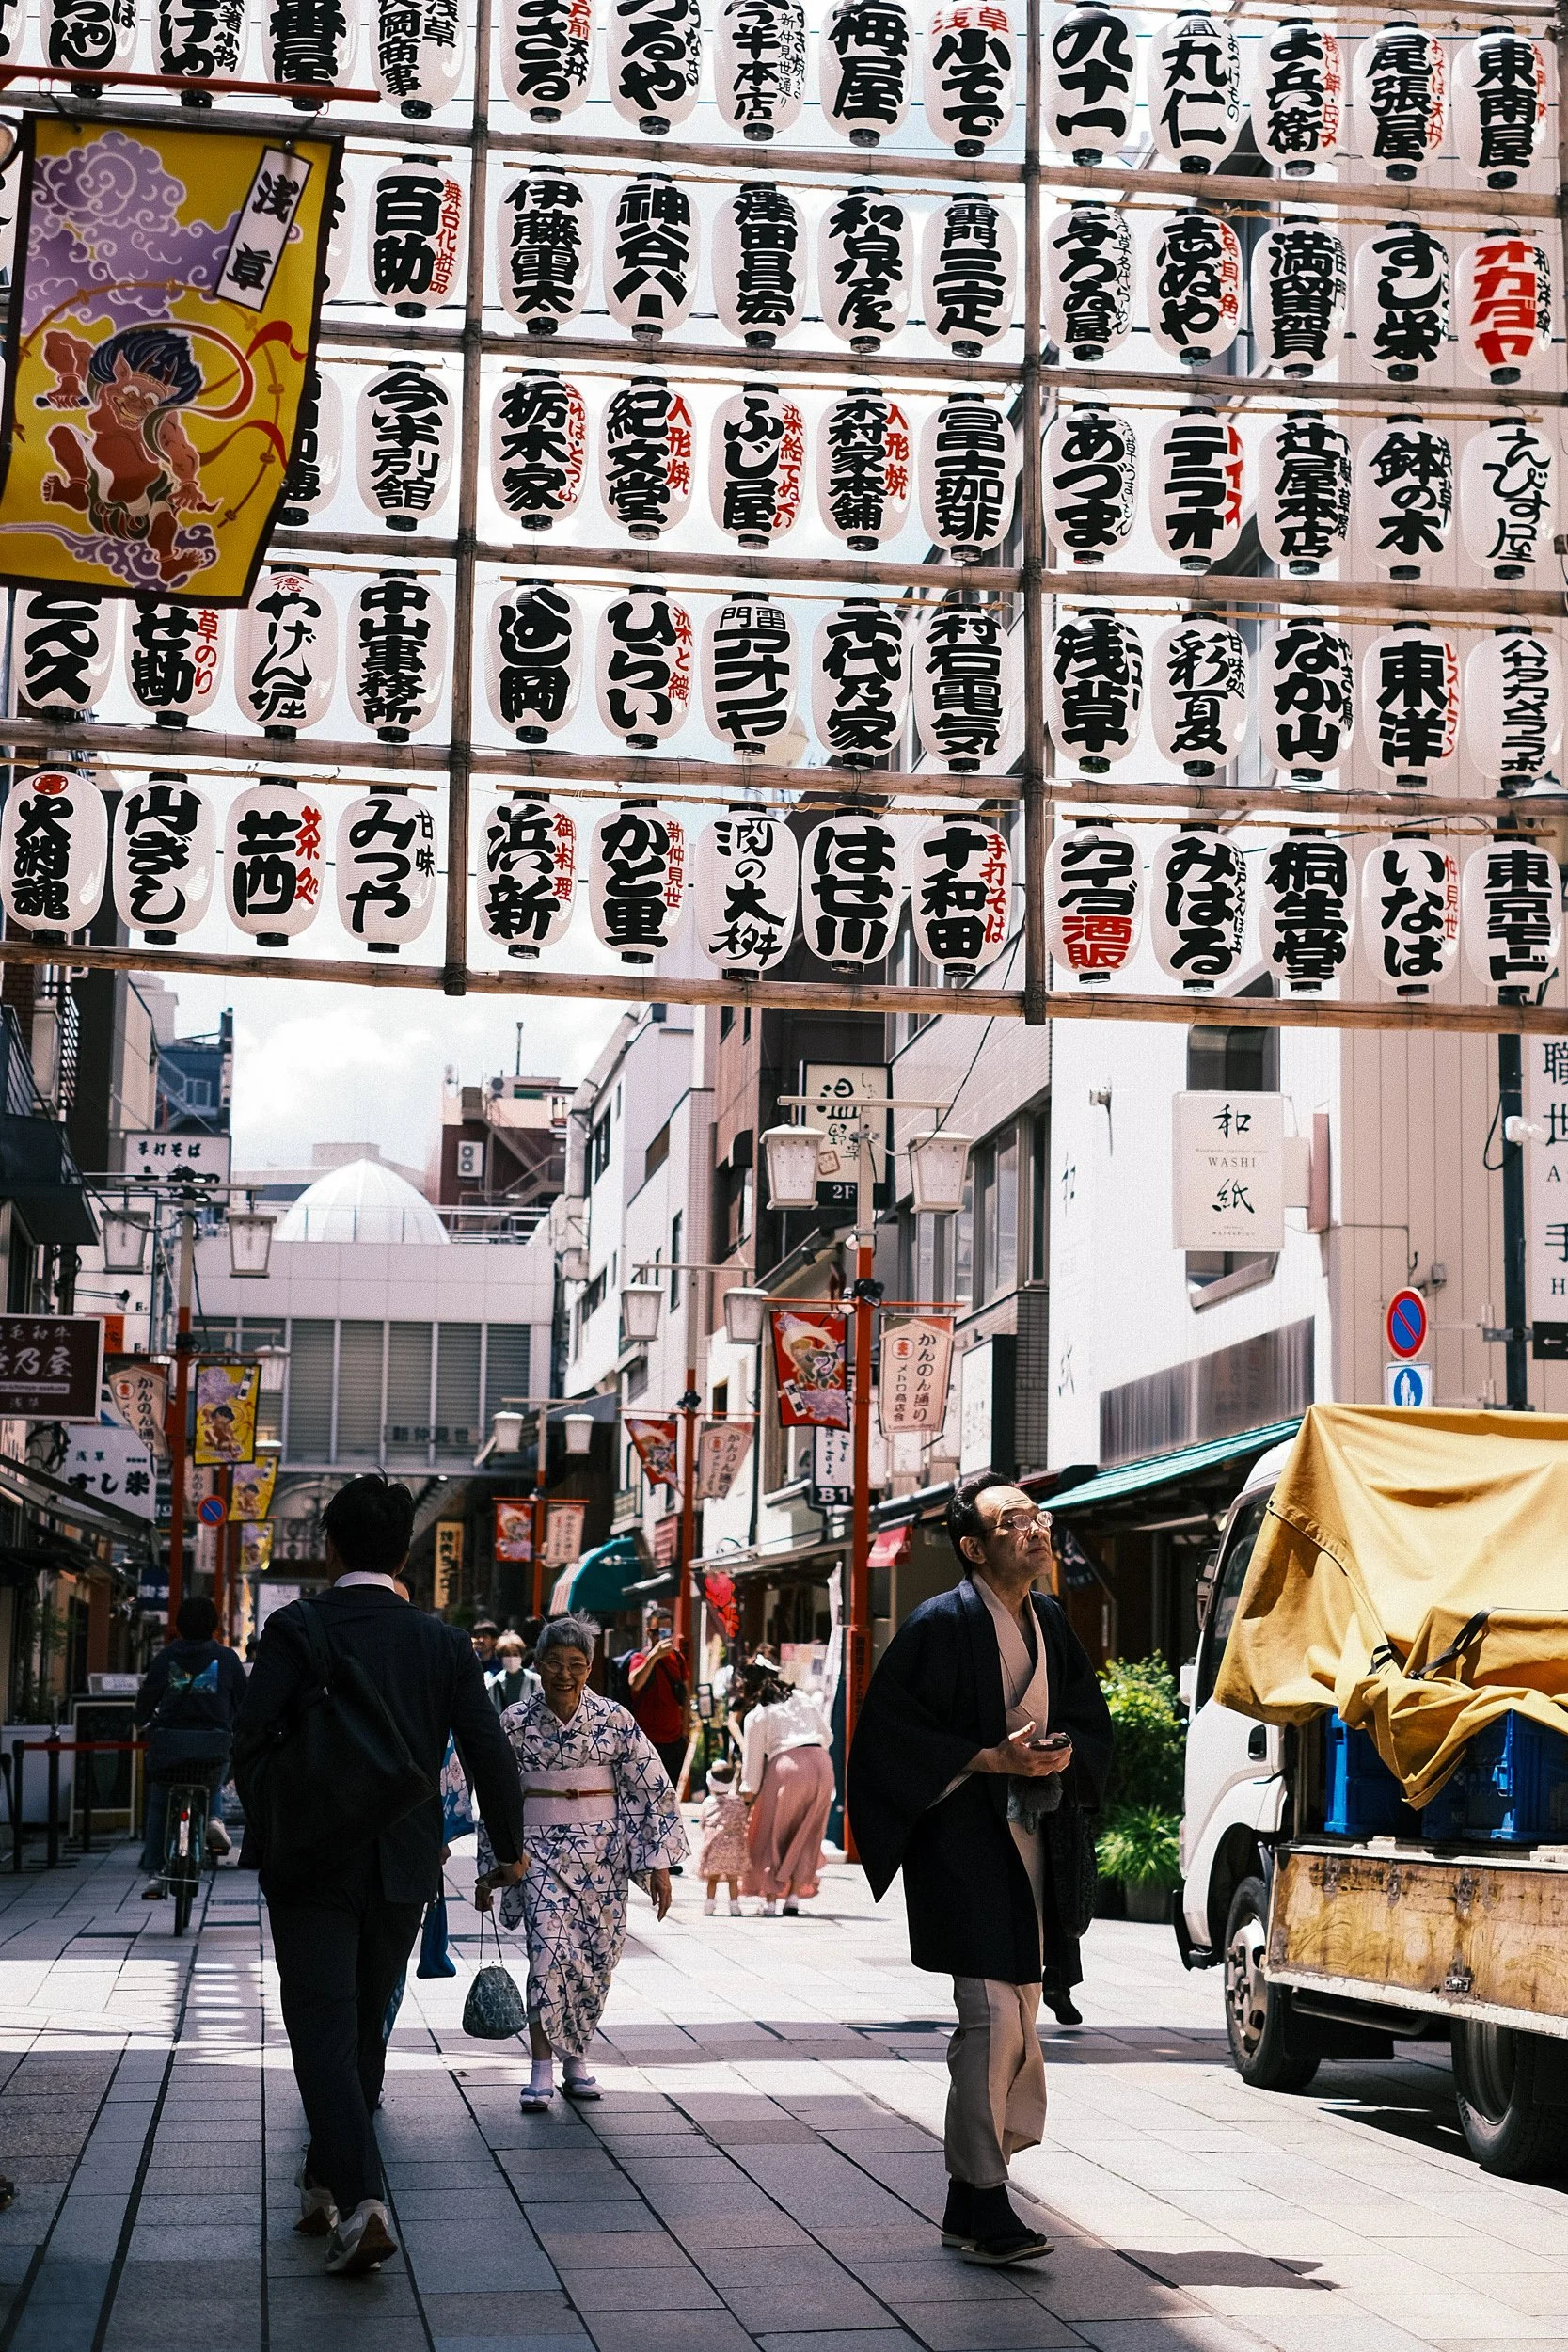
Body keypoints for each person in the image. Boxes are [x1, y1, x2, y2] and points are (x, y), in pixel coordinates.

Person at [235, 1474, 527, 2280]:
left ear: (331, 1545)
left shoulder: (296, 1628)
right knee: (366, 2023)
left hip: (311, 1864)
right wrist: (508, 1849)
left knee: (321, 2026)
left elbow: (250, 1738)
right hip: (404, 1861)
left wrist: (276, 1825)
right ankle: (326, 2179)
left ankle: (359, 2197)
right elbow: (486, 1750)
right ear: (404, 1552)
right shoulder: (441, 1644)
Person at [847, 1475, 1114, 2271]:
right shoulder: (939, 1625)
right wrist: (985, 1758)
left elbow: (1087, 1717)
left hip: (1037, 1841)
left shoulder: (1051, 1619)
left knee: (1019, 2011)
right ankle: (987, 2197)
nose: (1032, 1531)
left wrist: (1062, 1751)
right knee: (991, 2016)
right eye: (1011, 1522)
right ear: (972, 1546)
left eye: (1035, 1518)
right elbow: (887, 1740)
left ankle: (969, 2199)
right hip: (961, 1839)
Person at [475, 1613, 688, 2113]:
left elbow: (651, 1787)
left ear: (590, 1667)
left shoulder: (615, 1719)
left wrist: (656, 1862)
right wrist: (495, 1865)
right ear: (538, 1664)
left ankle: (577, 2059)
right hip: (538, 1853)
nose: (564, 1674)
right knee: (548, 1954)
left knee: (594, 1961)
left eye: (576, 1664)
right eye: (554, 1663)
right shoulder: (515, 1722)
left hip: (603, 1858)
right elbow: (495, 1794)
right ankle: (541, 2067)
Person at [135, 1595, 247, 1897]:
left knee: (160, 1799)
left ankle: (156, 1871)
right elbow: (245, 1701)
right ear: (214, 1625)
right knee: (210, 1784)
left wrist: (140, 1718)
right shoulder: (226, 1659)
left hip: (169, 1745)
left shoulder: (166, 1658)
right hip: (213, 1743)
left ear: (180, 1625)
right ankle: (214, 1819)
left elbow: (148, 1696)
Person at [739, 1666, 834, 1916]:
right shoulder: (802, 1698)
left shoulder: (758, 1713)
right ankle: (792, 1897)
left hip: (787, 1766)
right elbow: (828, 1735)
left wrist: (748, 1798)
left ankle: (770, 1901)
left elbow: (752, 1766)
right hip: (822, 1763)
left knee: (772, 1832)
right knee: (807, 1832)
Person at [625, 1607, 689, 1785]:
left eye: (667, 1632)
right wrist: (653, 1657)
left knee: (671, 1792)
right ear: (649, 1633)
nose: (663, 1637)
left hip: (674, 1741)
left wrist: (685, 1731)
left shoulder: (678, 1658)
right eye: (658, 1632)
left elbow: (685, 1696)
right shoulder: (641, 1657)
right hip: (646, 1741)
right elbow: (635, 1683)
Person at [694, 1756, 748, 1915]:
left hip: (714, 1843)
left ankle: (709, 1904)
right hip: (733, 1844)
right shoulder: (738, 1802)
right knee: (733, 1878)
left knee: (713, 1877)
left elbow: (703, 1823)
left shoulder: (708, 1802)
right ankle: (734, 1905)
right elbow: (742, 1820)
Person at [488, 1631, 535, 1712]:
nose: (511, 1658)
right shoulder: (494, 1684)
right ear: (500, 1657)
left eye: (515, 1654)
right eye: (507, 1654)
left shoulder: (535, 1680)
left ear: (522, 1655)